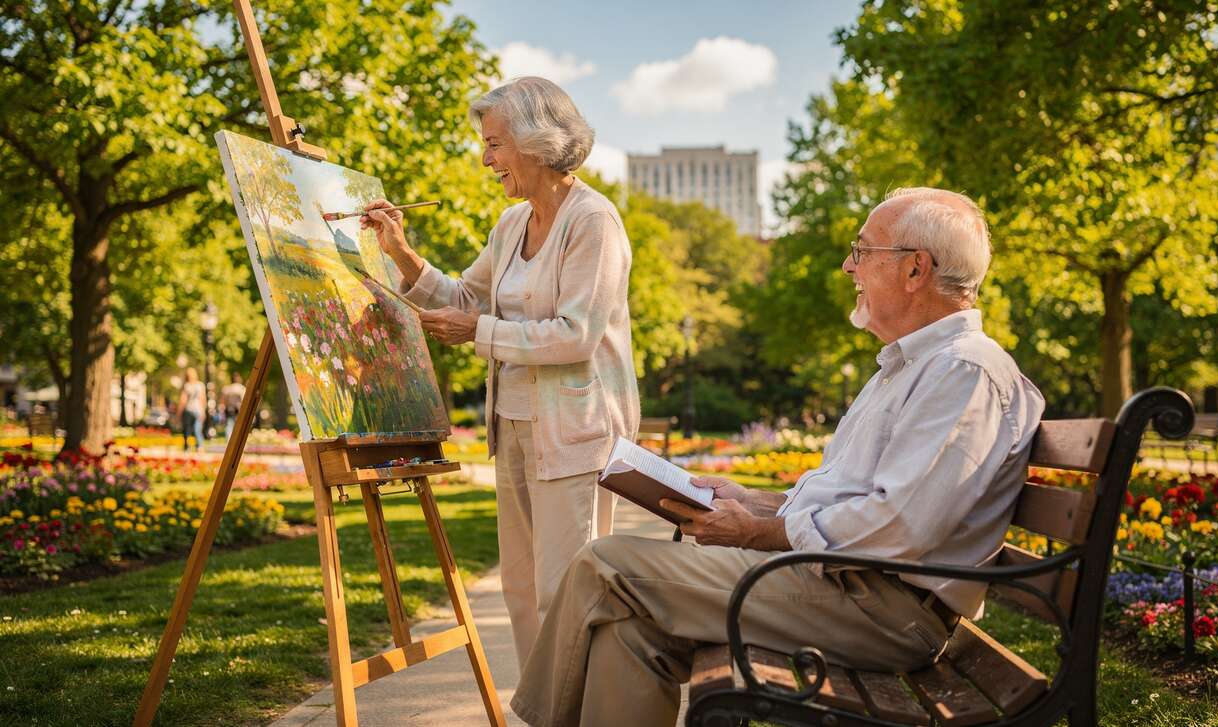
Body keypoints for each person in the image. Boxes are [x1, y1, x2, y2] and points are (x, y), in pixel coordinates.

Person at [509, 188, 1047, 727]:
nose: (847, 266)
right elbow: (858, 500)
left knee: (605, 563)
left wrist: (757, 532)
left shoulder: (963, 372)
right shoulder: (912, 368)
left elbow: (901, 526)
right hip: (844, 588)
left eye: (862, 251)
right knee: (627, 630)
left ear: (915, 269)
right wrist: (757, 502)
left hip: (882, 611)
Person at [361, 76, 640, 670]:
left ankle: (580, 710)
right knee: (520, 593)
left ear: (537, 143)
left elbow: (576, 335)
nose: (485, 158)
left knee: (566, 592)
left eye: (495, 143)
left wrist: (479, 334)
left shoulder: (593, 222)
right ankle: (542, 714)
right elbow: (467, 296)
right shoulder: (512, 224)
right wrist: (401, 252)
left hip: (575, 436)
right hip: (513, 426)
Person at [176, 367, 207, 452]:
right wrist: (203, 411)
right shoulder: (200, 385)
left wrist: (179, 412)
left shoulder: (186, 386)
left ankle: (187, 447)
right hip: (198, 409)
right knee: (197, 429)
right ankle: (200, 446)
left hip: (188, 409)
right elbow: (203, 399)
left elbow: (183, 400)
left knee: (187, 429)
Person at [220, 372, 247, 440]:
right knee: (239, 425)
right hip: (239, 409)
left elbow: (223, 401)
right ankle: (239, 439)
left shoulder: (227, 388)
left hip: (229, 409)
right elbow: (243, 399)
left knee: (229, 425)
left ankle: (229, 440)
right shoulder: (241, 388)